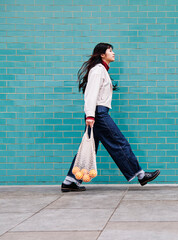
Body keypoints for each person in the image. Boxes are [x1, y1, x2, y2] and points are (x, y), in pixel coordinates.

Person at [61, 43, 160, 192]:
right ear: (102, 54)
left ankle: (69, 181)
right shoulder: (98, 70)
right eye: (110, 51)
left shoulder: (102, 71)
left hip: (97, 114)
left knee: (89, 149)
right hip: (98, 114)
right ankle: (140, 175)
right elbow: (90, 94)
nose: (113, 53)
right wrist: (90, 115)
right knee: (119, 142)